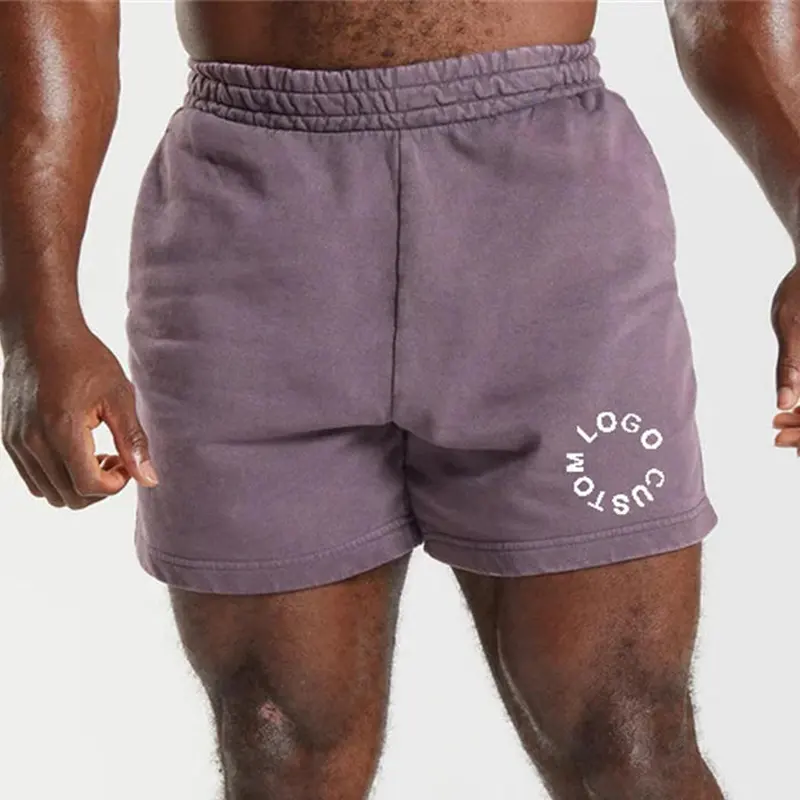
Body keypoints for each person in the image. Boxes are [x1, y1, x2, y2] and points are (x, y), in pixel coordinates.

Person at [2, 1, 799, 797]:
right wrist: (39, 321)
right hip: (251, 229)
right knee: (278, 749)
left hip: (546, 224)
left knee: (629, 739)